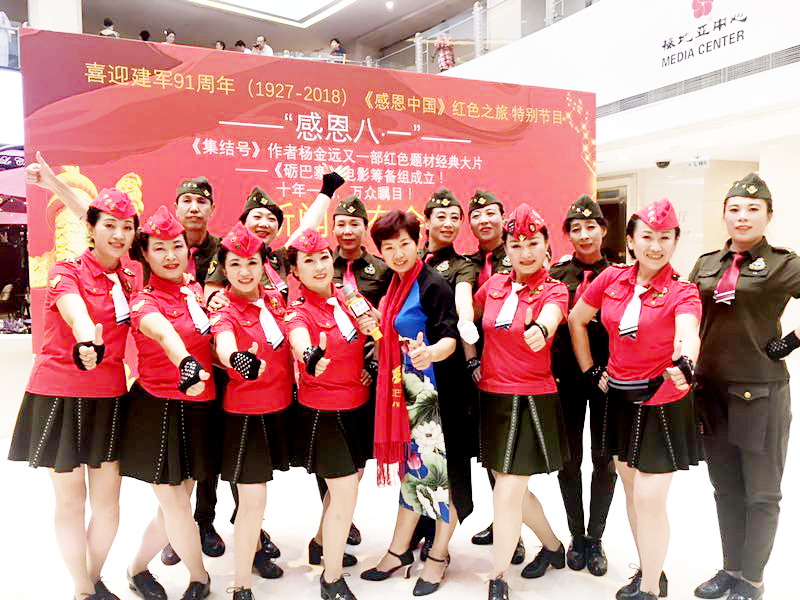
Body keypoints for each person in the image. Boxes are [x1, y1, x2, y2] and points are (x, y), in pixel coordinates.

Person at [569, 198, 702, 600]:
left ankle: (648, 590)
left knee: (649, 500)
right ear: (630, 240)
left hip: (662, 402)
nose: (655, 246)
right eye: (647, 237)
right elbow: (577, 319)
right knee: (631, 492)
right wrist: (591, 369)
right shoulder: (611, 279)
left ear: (675, 241)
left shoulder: (683, 291)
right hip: (619, 401)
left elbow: (688, 332)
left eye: (665, 238)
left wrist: (686, 363)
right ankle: (651, 569)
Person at [8, 189, 138, 600]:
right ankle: (82, 588)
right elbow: (74, 311)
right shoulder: (65, 271)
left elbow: (98, 218)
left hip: (110, 397)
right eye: (109, 226)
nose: (118, 234)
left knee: (109, 504)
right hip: (59, 394)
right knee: (70, 501)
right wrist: (87, 342)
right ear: (90, 228)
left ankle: (93, 578)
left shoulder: (130, 277)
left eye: (127, 227)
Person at [690, 174, 798, 600]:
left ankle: (752, 579)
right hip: (711, 390)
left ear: (769, 215)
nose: (743, 216)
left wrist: (790, 341)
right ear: (724, 215)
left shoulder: (783, 264)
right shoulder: (706, 264)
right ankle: (730, 568)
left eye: (753, 209)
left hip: (760, 392)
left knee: (762, 493)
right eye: (734, 208)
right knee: (726, 488)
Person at [361, 210, 473, 596]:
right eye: (389, 247)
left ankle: (438, 556)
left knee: (444, 481)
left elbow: (450, 338)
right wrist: (374, 326)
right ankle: (399, 550)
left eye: (405, 244)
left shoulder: (432, 284)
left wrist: (431, 354)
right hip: (407, 398)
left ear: (417, 241)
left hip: (437, 401)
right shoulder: (394, 285)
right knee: (413, 476)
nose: (398, 253)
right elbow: (394, 334)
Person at [473, 203, 569, 600]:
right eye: (516, 245)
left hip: (531, 398)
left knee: (508, 490)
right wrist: (471, 359)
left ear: (546, 245)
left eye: (532, 243)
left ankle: (498, 577)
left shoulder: (555, 289)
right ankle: (553, 547)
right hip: (492, 396)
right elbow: (472, 320)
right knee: (507, 485)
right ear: (506, 249)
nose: (525, 252)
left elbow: (553, 315)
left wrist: (541, 330)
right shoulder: (493, 285)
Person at [119, 206, 214, 600]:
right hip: (158, 410)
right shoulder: (143, 301)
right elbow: (162, 334)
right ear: (144, 254)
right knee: (175, 504)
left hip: (198, 407)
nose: (171, 255)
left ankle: (136, 569)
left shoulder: (196, 293)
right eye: (159, 248)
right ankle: (200, 578)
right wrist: (186, 362)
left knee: (176, 503)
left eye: (176, 245)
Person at [286, 229, 376, 600]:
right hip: (324, 413)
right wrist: (311, 357)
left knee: (349, 481)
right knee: (344, 494)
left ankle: (320, 543)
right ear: (295, 271)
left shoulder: (350, 297)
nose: (319, 266)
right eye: (308, 261)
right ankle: (331, 579)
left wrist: (373, 353)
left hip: (358, 408)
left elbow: (378, 332)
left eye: (324, 257)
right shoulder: (298, 312)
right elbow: (299, 341)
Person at [212, 222, 293, 600]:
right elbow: (224, 343)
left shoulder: (275, 300)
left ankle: (256, 552)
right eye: (235, 264)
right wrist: (237, 360)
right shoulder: (223, 309)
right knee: (252, 501)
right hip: (245, 416)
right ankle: (241, 584)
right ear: (223, 269)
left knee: (257, 500)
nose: (245, 272)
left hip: (279, 409)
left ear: (264, 265)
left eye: (251, 263)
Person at [310, 195, 392, 558]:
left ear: (364, 228)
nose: (346, 231)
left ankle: (329, 532)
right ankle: (332, 531)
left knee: (355, 465)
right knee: (333, 466)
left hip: (365, 380)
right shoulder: (318, 264)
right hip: (324, 378)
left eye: (354, 224)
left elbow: (386, 321)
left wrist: (375, 363)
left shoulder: (381, 270)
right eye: (340, 223)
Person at [549, 195, 617, 576]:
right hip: (567, 379)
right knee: (569, 459)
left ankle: (596, 536)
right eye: (576, 229)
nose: (585, 234)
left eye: (592, 227)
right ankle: (576, 534)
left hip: (609, 378)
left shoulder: (621, 275)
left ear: (603, 230)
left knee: (604, 458)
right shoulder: (556, 276)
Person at [414, 189, 480, 558]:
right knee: (420, 456)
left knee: (450, 454)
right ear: (426, 221)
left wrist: (466, 323)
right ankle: (420, 526)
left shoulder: (462, 266)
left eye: (455, 217)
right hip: (412, 376)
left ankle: (441, 540)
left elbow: (463, 299)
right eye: (441, 216)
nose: (449, 223)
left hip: (448, 371)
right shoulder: (409, 261)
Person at [464, 191, 523, 564]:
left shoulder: (519, 254)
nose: (484, 220)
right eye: (477, 215)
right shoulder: (467, 264)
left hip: (514, 367)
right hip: (477, 367)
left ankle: (513, 533)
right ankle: (502, 522)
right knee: (490, 451)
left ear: (503, 217)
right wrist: (471, 361)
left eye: (490, 213)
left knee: (511, 459)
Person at [204, 170, 345, 309]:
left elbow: (306, 228)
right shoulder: (230, 256)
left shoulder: (277, 260)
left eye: (271, 220)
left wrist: (327, 190)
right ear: (243, 223)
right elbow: (212, 293)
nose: (264, 224)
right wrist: (214, 299)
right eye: (257, 217)